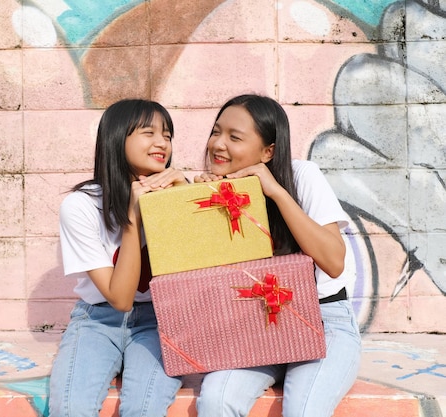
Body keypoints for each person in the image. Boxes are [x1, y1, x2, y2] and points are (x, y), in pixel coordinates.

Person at [194, 94, 362, 417]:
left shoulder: (302, 176)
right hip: (254, 326)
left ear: (268, 151)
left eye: (234, 137)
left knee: (303, 411)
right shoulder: (213, 193)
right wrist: (193, 201)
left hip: (324, 321)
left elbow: (334, 261)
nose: (218, 144)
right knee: (216, 399)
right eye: (216, 132)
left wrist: (275, 192)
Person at [49, 99, 187, 417]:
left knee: (144, 409)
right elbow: (120, 299)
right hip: (97, 320)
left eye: (167, 134)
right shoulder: (81, 206)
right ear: (116, 138)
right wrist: (133, 218)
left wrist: (185, 202)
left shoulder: (177, 192)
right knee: (71, 409)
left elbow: (201, 273)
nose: (161, 142)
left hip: (159, 320)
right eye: (148, 132)